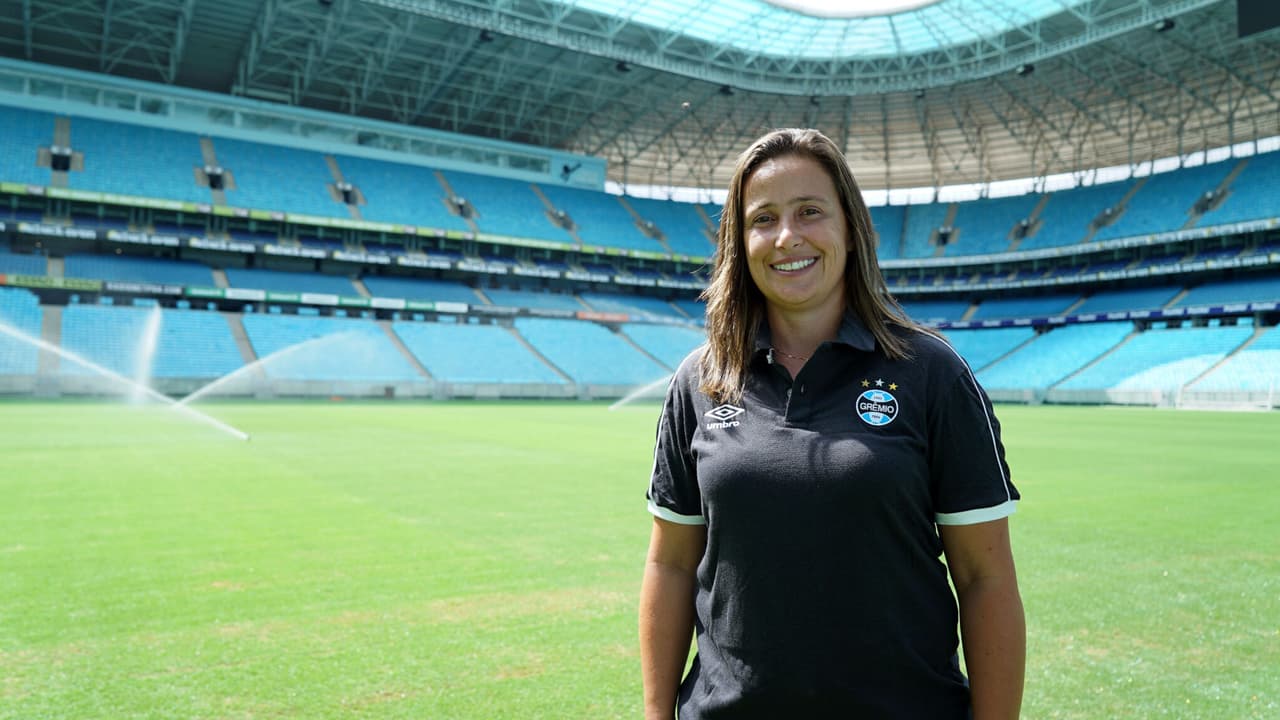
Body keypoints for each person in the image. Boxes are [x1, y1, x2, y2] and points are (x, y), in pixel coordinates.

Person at [639, 128, 1025, 719]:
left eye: (810, 212)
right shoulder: (700, 379)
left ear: (851, 228)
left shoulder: (932, 373)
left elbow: (985, 577)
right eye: (762, 218)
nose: (787, 236)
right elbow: (669, 565)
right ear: (739, 244)